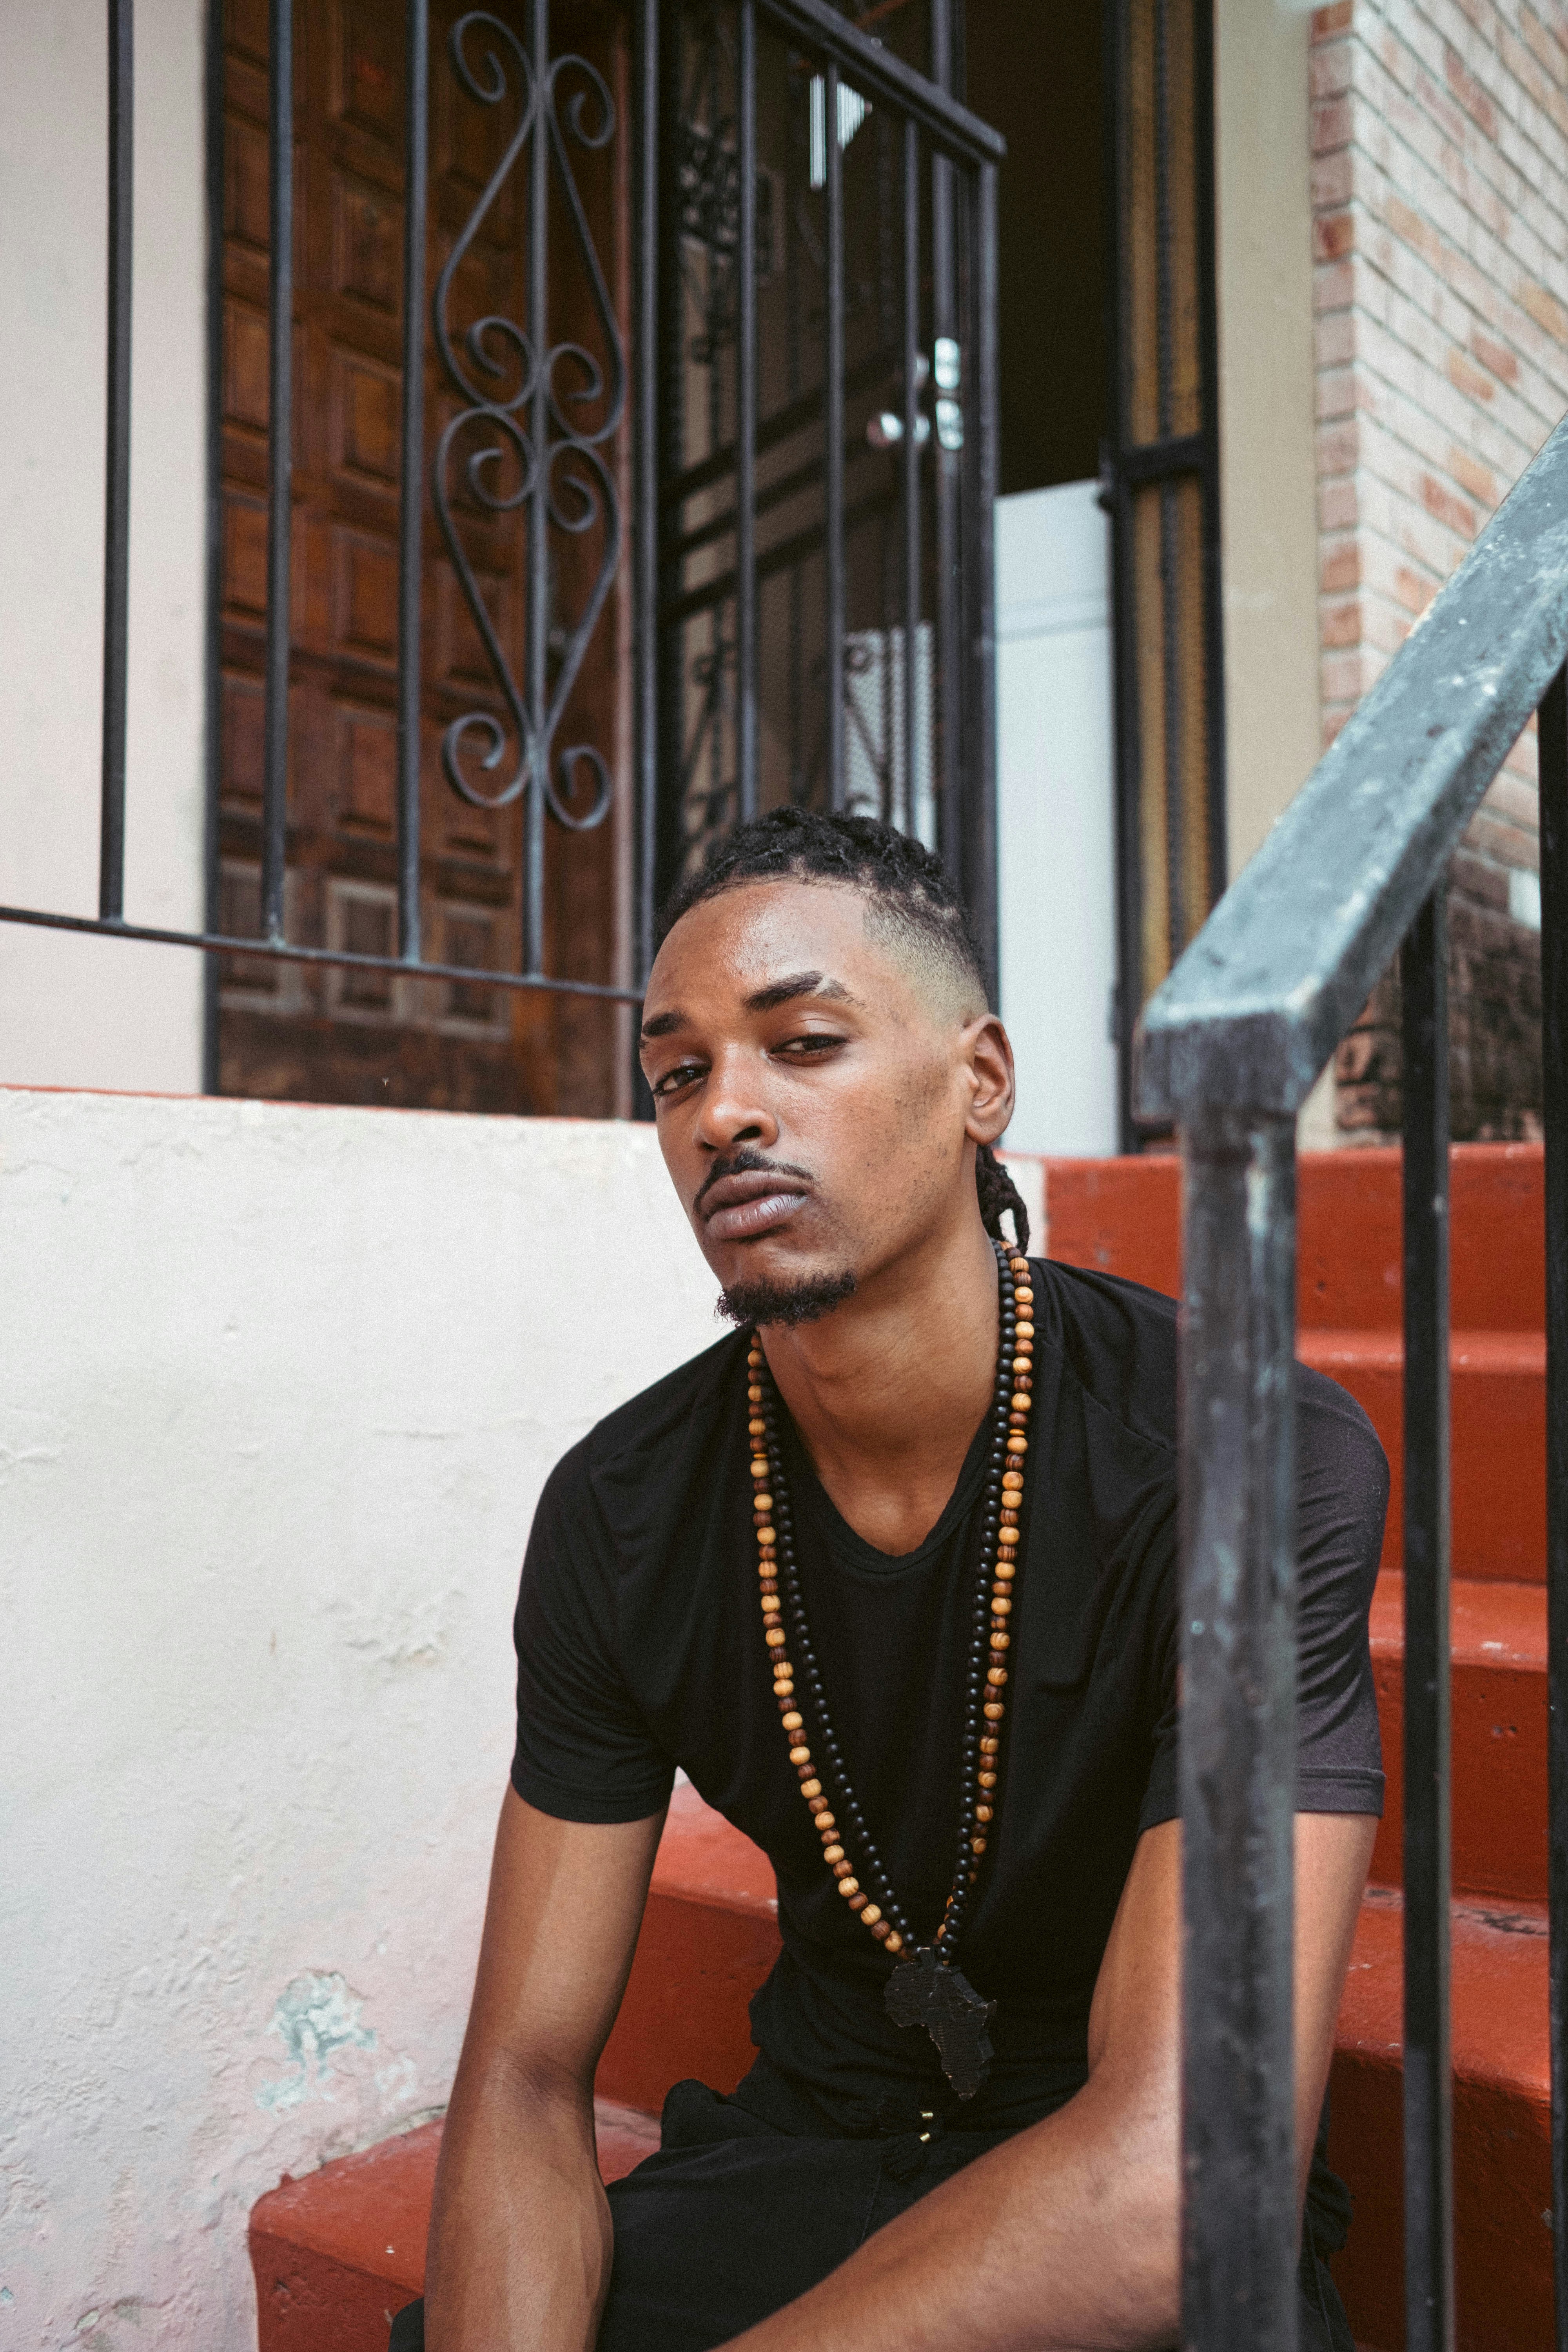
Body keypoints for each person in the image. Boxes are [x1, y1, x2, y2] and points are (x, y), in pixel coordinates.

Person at [393, 809, 1387, 2352]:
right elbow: (525, 2075)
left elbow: (1171, 2184)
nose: (723, 1112)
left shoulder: (1241, 1453)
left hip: (1109, 2180)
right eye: (677, 1072)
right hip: (793, 2157)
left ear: (979, 1082)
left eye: (802, 1043)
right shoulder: (620, 1513)